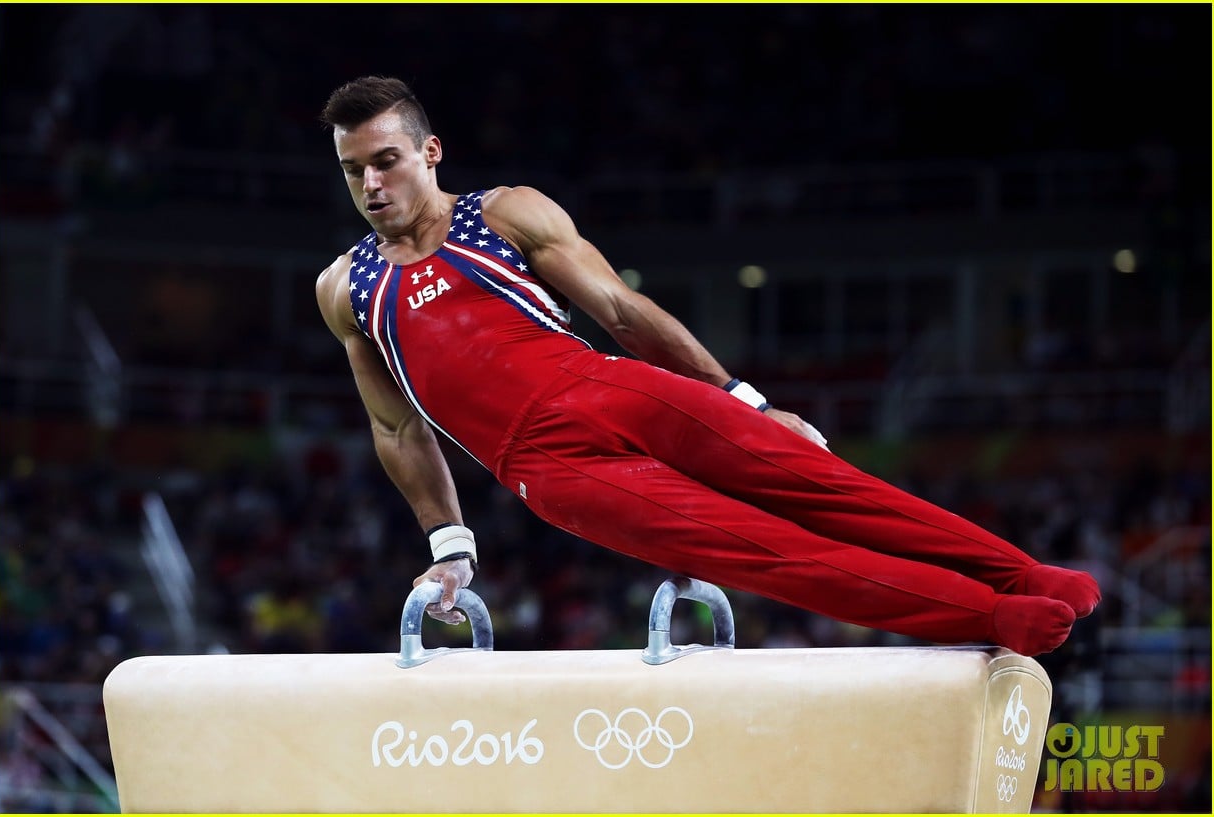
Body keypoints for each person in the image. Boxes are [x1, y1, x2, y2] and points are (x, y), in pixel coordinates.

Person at [314, 75, 1101, 657]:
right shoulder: (348, 289)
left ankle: (1025, 574)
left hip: (609, 385)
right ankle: (993, 617)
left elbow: (623, 313)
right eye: (355, 171)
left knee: (825, 483)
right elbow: (395, 423)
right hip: (550, 466)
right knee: (770, 550)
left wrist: (746, 401)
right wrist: (449, 541)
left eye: (387, 160)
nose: (372, 184)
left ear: (430, 150)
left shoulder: (507, 212)